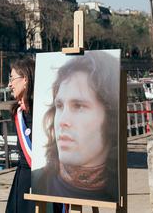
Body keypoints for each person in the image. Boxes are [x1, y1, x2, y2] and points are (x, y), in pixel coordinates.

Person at [31, 51, 120, 203]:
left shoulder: (116, 190)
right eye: (59, 106)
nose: (62, 121)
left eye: (78, 106)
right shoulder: (37, 182)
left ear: (110, 117)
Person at [5, 57, 36, 213]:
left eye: (12, 79)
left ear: (25, 79)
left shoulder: (43, 112)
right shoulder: (17, 113)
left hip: (44, 181)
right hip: (22, 179)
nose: (10, 84)